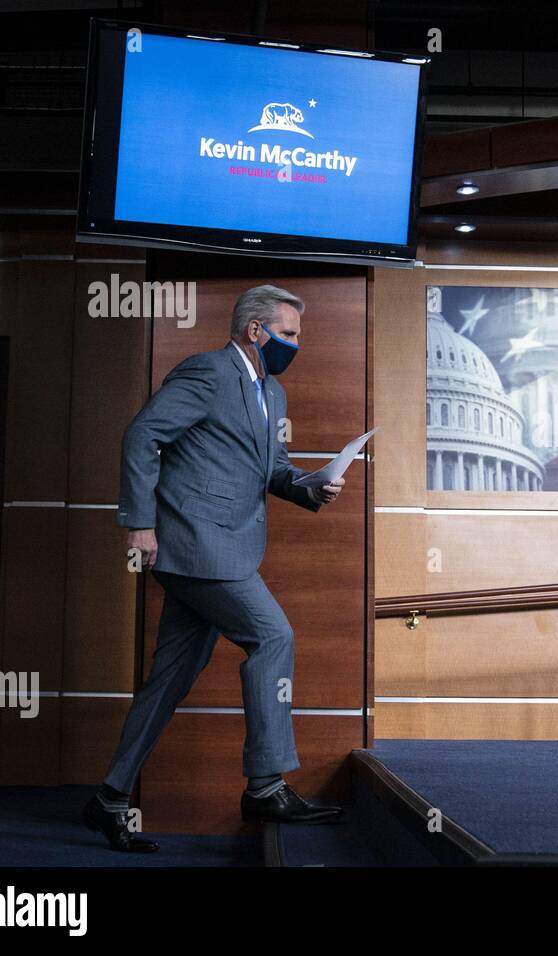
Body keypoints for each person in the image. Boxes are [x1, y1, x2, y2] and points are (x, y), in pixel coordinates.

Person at [84, 285, 347, 853]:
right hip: (197, 545)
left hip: (222, 549)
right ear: (257, 331)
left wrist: (313, 486)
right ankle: (266, 784)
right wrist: (139, 522)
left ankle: (109, 797)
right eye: (291, 334)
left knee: (171, 678)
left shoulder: (271, 394)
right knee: (273, 635)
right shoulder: (206, 372)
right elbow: (143, 434)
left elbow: (273, 469)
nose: (297, 345)